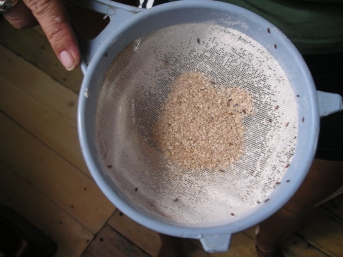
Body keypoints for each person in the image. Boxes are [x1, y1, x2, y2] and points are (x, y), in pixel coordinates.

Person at [3, 1, 342, 257]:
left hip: (330, 50)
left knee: (297, 201)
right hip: (173, 14)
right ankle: (174, 243)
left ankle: (266, 246)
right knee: (152, 184)